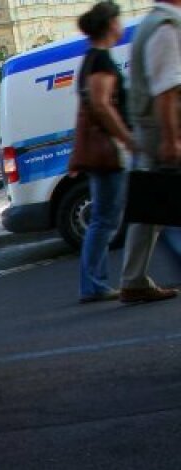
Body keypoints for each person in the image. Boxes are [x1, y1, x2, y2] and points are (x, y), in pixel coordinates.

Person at [117, 0, 181, 303]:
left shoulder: (150, 24)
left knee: (150, 207)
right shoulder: (166, 26)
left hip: (151, 128)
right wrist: (172, 139)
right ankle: (133, 279)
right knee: (155, 202)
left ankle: (133, 279)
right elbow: (167, 89)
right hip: (162, 129)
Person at [75, 2, 137, 303]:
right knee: (105, 219)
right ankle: (94, 283)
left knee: (106, 217)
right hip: (109, 151)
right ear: (109, 24)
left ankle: (95, 282)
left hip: (103, 150)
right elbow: (100, 104)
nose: (120, 24)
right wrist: (127, 138)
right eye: (117, 19)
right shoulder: (100, 61)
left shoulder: (91, 58)